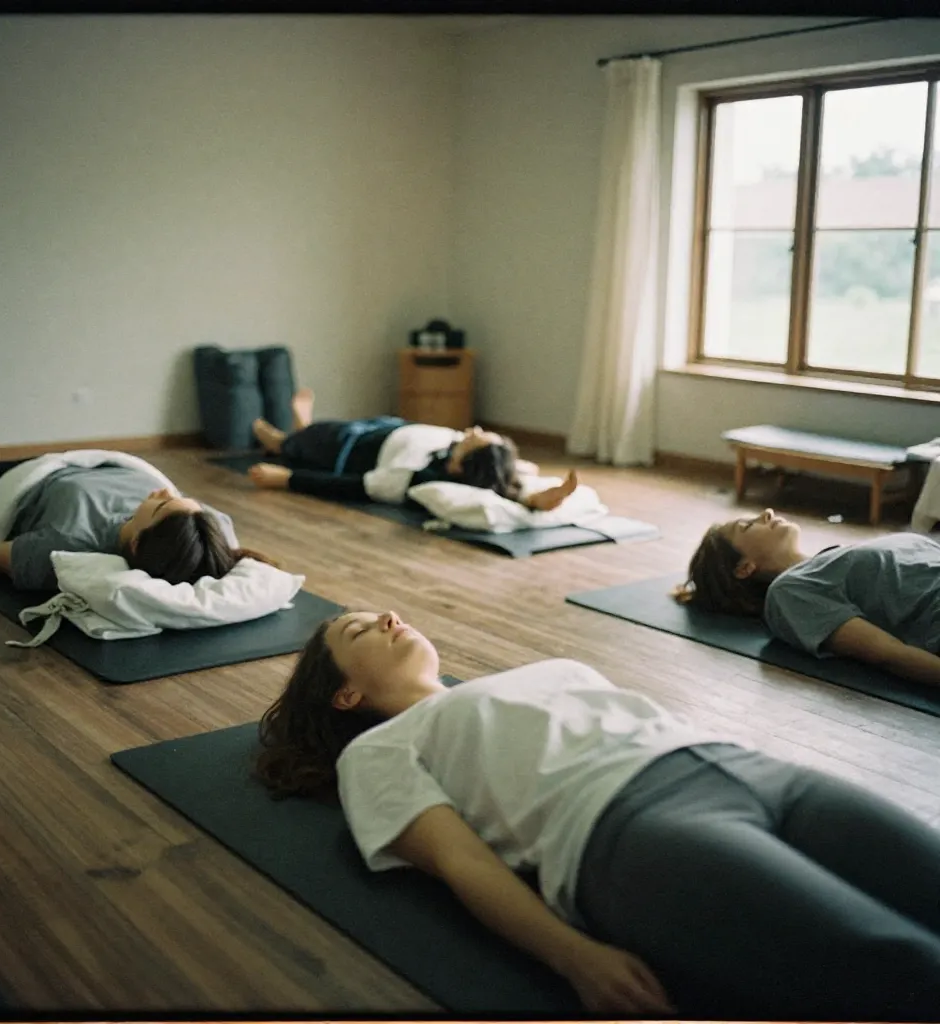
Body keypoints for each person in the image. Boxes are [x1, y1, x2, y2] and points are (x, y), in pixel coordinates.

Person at [254, 608, 940, 1020]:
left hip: (755, 770)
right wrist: (573, 956)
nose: (387, 616)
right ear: (345, 695)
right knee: (902, 965)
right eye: (358, 628)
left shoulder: (530, 674)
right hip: (635, 830)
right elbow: (461, 861)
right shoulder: (375, 751)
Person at [0, 427, 272, 591]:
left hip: (27, 486)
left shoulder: (71, 545)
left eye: (161, 503)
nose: (164, 489)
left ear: (136, 543)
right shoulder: (207, 528)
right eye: (177, 497)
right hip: (77, 462)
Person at [678, 506, 940, 687]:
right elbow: (888, 654)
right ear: (744, 568)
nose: (767, 512)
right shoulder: (789, 591)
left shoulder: (831, 561)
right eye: (748, 525)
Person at [246, 388, 578, 512]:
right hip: (390, 427)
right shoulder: (487, 466)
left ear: (461, 466)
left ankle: (280, 441)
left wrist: (287, 479)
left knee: (315, 438)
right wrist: (529, 488)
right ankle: (302, 430)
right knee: (314, 433)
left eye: (474, 438)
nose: (472, 430)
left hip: (350, 446)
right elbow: (510, 475)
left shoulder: (413, 480)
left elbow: (350, 486)